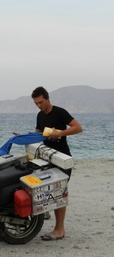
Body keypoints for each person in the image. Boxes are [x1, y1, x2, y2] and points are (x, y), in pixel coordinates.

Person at [31, 86, 82, 241]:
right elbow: (38, 134)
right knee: (41, 188)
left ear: (47, 98)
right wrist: (24, 137)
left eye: (41, 102)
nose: (39, 106)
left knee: (59, 192)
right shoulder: (40, 115)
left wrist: (60, 133)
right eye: (36, 103)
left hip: (63, 159)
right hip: (47, 158)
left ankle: (59, 230)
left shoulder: (60, 112)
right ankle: (44, 211)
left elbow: (78, 128)